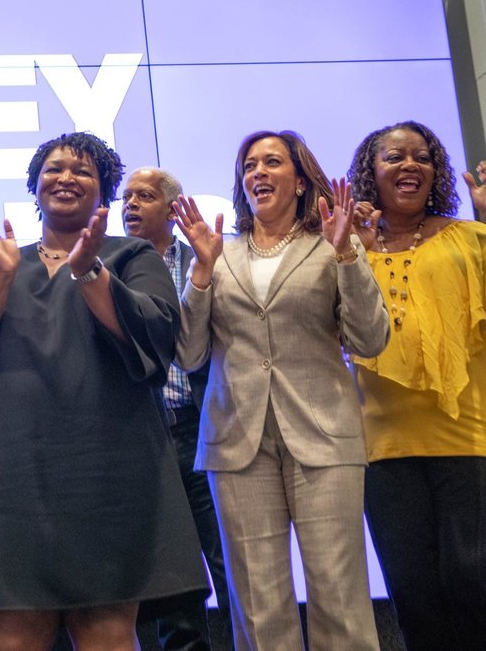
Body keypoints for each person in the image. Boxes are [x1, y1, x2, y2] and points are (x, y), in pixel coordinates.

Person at [0, 132, 209, 651]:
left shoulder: (132, 254)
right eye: (54, 169)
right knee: (13, 640)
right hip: (11, 479)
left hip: (110, 476)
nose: (66, 178)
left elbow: (154, 339)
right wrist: (2, 275)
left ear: (104, 190)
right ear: (34, 186)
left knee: (107, 635)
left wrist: (89, 271)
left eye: (82, 171)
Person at [173, 130, 388, 651]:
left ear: (300, 181)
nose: (258, 173)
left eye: (272, 162)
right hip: (235, 441)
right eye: (250, 165)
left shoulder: (333, 244)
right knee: (259, 604)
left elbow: (370, 339)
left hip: (324, 435)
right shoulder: (218, 254)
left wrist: (347, 255)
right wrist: (200, 272)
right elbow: (188, 354)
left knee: (338, 595)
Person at [346, 121, 486, 650]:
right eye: (395, 157)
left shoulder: (468, 237)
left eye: (422, 157)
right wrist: (351, 252)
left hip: (467, 437)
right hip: (382, 448)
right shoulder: (348, 248)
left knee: (473, 581)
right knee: (412, 592)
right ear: (371, 172)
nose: (410, 165)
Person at [123, 166, 232, 651]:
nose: (130, 205)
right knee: (169, 568)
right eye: (126, 197)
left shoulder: (206, 260)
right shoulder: (110, 265)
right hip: (142, 436)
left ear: (172, 210)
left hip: (203, 428)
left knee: (227, 558)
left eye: (143, 196)